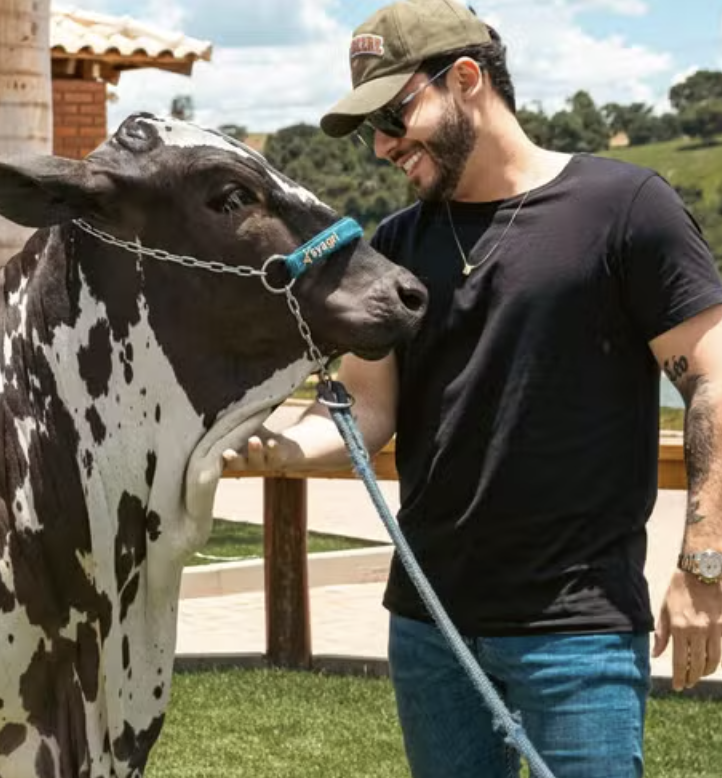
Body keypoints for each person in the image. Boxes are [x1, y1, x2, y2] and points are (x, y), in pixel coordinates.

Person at [224, 0, 722, 775]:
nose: (384, 146)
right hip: (430, 631)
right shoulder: (392, 248)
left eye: (395, 114)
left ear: (466, 79)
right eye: (370, 131)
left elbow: (713, 386)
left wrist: (704, 569)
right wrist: (273, 449)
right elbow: (366, 408)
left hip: (578, 634)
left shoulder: (626, 211)